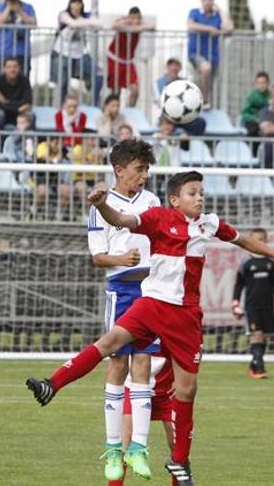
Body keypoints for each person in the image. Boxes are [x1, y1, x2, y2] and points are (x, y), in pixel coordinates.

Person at [26, 169, 274, 486]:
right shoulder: (157, 218)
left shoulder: (209, 223)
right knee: (110, 342)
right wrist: (101, 206)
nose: (200, 197)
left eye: (201, 192)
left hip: (185, 317)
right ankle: (52, 384)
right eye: (193, 192)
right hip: (152, 305)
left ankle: (179, 462)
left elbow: (244, 240)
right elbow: (122, 220)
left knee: (185, 390)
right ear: (174, 199)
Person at [86, 139, 161, 481]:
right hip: (122, 290)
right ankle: (114, 448)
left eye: (146, 170)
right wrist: (121, 258)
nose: (143, 176)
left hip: (152, 290)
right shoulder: (101, 205)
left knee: (143, 363)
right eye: (138, 169)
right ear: (119, 170)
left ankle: (139, 448)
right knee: (118, 363)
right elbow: (97, 257)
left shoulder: (151, 201)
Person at [108, 351, 176, 486]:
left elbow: (189, 350)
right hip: (134, 386)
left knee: (177, 444)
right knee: (124, 439)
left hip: (169, 389)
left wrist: (182, 379)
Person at [231, 228, 274, 379]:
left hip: (268, 306)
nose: (259, 243)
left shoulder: (271, 264)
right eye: (256, 240)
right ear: (250, 240)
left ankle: (253, 365)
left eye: (262, 240)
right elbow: (239, 284)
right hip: (252, 306)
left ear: (266, 241)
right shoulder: (246, 262)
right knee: (256, 335)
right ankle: (260, 369)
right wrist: (235, 304)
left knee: (265, 337)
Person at [51, 0, 100, 103]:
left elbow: (98, 24)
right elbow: (72, 23)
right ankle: (61, 106)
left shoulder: (86, 15)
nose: (76, 6)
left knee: (98, 73)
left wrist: (85, 20)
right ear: (70, 4)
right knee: (63, 83)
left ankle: (93, 103)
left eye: (79, 3)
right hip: (62, 53)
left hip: (79, 54)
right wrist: (87, 22)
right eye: (74, 3)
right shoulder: (63, 14)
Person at [186, 0, 233, 108]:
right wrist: (210, 29)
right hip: (195, 53)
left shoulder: (217, 16)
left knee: (210, 83)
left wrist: (221, 12)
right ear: (201, 1)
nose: (208, 2)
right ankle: (203, 100)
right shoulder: (195, 12)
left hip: (213, 55)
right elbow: (190, 25)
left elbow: (229, 28)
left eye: (210, 0)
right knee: (205, 68)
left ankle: (207, 104)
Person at [106, 7, 154, 108]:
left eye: (138, 18)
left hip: (128, 63)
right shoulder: (123, 21)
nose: (135, 21)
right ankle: (115, 113)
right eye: (133, 18)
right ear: (129, 17)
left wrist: (136, 28)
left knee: (135, 90)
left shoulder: (140, 24)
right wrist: (129, 26)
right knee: (116, 92)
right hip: (115, 60)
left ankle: (129, 111)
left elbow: (152, 26)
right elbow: (114, 25)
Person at [152, 59, 207, 136]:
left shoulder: (186, 82)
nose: (174, 68)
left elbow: (193, 100)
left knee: (201, 123)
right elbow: (159, 103)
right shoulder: (158, 82)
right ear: (167, 67)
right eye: (171, 65)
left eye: (176, 65)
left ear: (180, 68)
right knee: (167, 126)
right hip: (167, 116)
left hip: (183, 116)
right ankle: (167, 144)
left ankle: (186, 138)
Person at [0, 0, 37, 77]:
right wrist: (9, 7)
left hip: (22, 52)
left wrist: (20, 11)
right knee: (0, 82)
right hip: (2, 51)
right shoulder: (1, 7)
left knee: (23, 83)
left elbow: (33, 24)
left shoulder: (27, 7)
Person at [0, 57, 33, 131]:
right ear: (4, 69)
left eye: (15, 67)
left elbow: (27, 102)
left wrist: (5, 101)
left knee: (31, 115)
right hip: (3, 114)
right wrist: (18, 108)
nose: (12, 70)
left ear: (19, 68)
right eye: (9, 67)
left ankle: (29, 141)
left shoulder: (25, 81)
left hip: (18, 115)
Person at [32, 137, 71, 220]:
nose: (56, 144)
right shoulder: (43, 146)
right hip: (40, 177)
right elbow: (43, 157)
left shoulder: (62, 148)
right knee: (43, 191)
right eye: (53, 141)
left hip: (56, 179)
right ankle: (33, 211)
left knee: (66, 190)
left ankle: (58, 216)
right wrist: (57, 158)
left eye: (58, 142)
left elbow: (71, 156)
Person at [240, 71, 270, 137]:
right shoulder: (251, 97)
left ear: (268, 83)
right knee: (253, 131)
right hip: (253, 121)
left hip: (268, 122)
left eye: (263, 83)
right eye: (259, 83)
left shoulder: (272, 96)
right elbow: (244, 114)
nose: (261, 85)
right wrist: (256, 119)